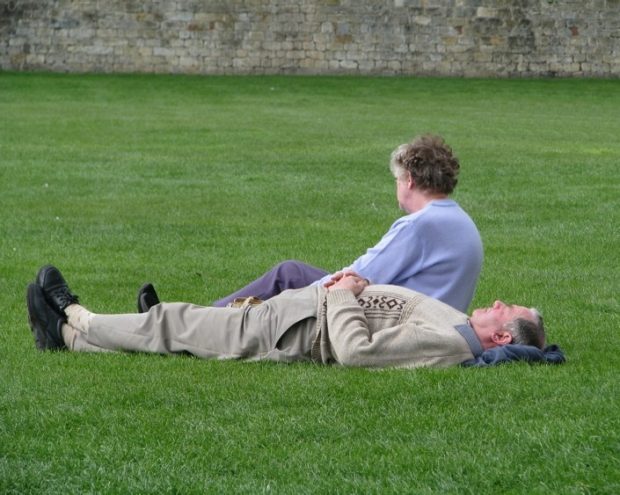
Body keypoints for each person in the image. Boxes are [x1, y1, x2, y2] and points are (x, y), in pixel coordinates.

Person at [137, 134, 484, 314]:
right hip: (421, 316)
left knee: (288, 277)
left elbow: (359, 273)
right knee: (291, 276)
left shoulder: (419, 227)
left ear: (408, 180)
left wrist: (295, 299)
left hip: (388, 319)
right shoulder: (461, 222)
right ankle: (198, 315)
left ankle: (192, 319)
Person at [27, 265, 558, 369]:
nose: (491, 302)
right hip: (300, 311)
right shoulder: (460, 327)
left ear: (498, 335)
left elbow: (357, 352)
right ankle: (67, 339)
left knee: (174, 322)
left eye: (499, 309)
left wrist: (346, 291)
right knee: (180, 343)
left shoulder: (452, 344)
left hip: (294, 329)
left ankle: (77, 315)